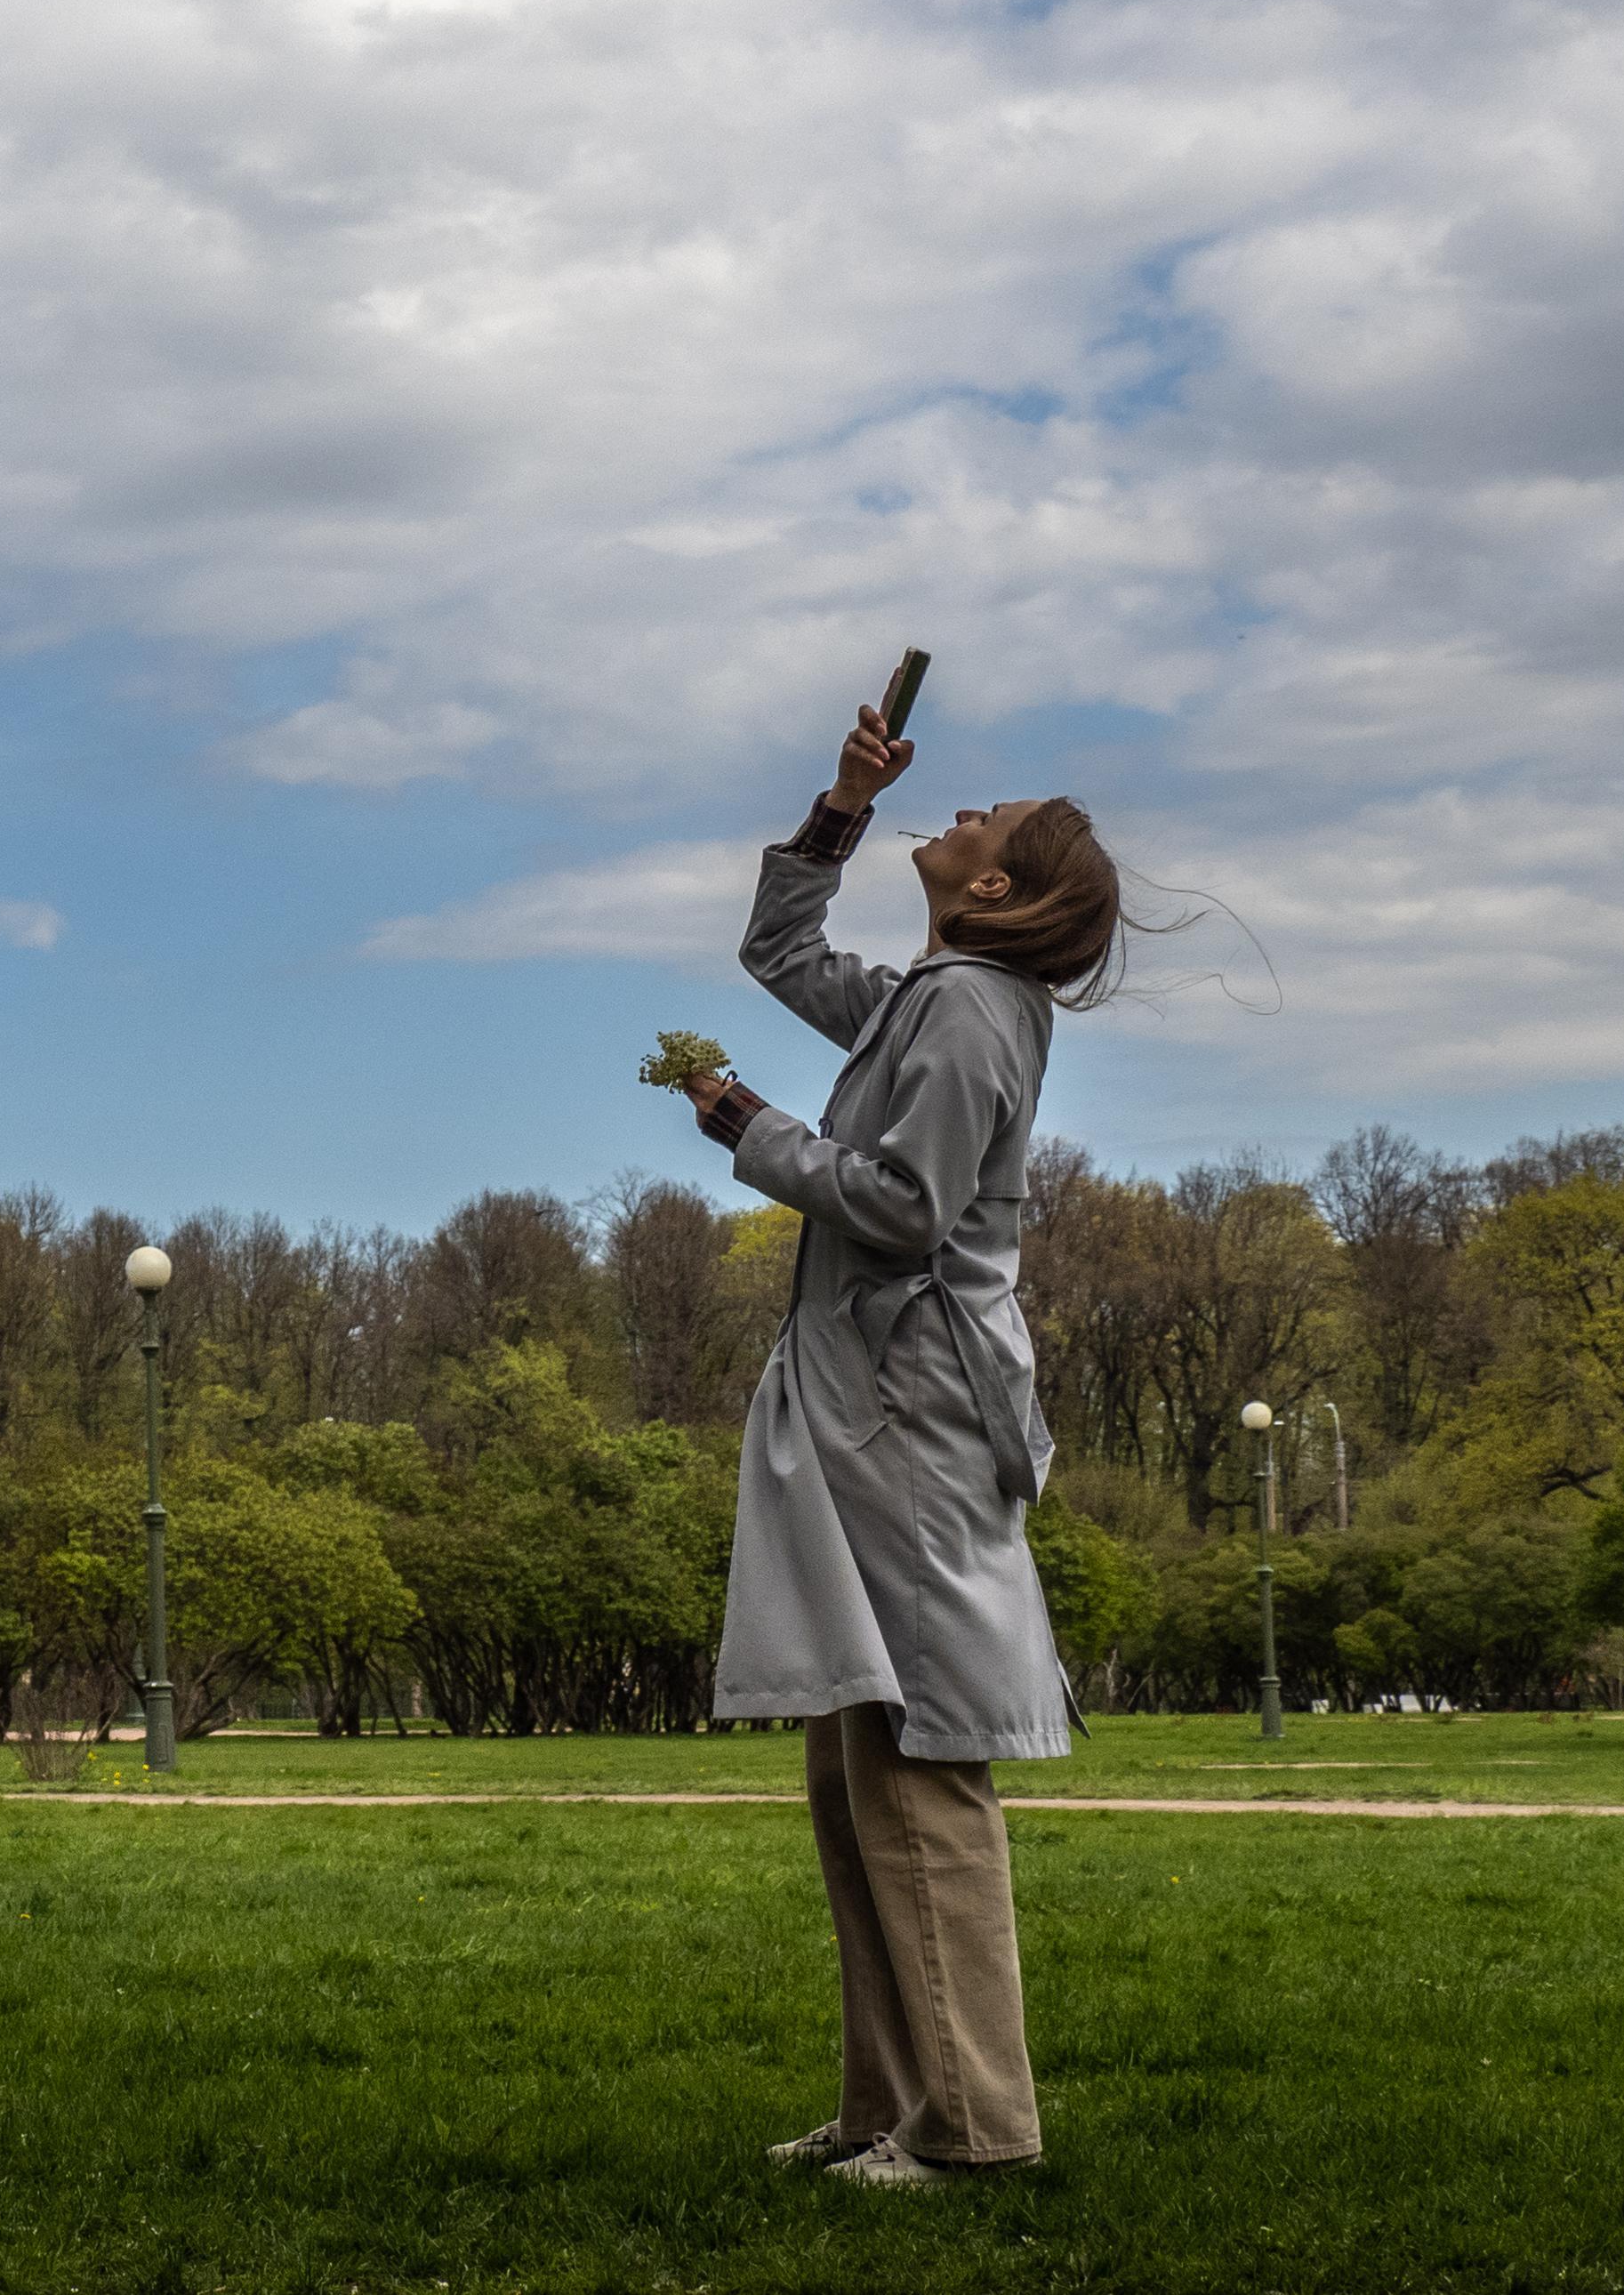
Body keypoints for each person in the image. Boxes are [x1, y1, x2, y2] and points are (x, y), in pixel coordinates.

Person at [662, 696, 1131, 2192]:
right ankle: (886, 2111)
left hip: (913, 1414)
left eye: (978, 820)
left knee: (918, 1762)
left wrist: (747, 1125)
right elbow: (780, 953)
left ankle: (975, 2128)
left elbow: (903, 1208)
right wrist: (843, 805)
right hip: (872, 1404)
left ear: (992, 891)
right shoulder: (928, 998)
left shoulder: (968, 1016)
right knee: (850, 1756)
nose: (962, 810)